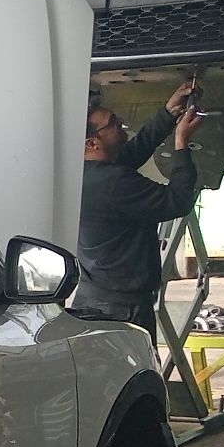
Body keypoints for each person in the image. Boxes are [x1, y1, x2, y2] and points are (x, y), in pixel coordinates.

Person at [72, 80, 205, 344]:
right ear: (92, 142)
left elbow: (133, 151)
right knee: (132, 369)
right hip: (121, 312)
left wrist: (168, 114)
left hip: (97, 299)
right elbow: (178, 201)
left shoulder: (87, 173)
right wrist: (181, 143)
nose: (120, 123)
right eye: (112, 123)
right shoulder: (113, 182)